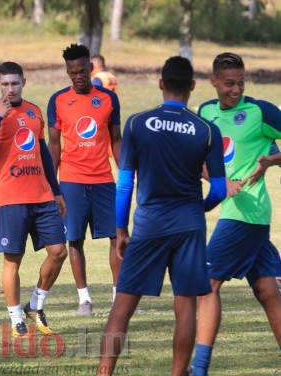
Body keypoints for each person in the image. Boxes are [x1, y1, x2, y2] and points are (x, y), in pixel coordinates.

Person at [98, 56, 226, 375]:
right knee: (185, 309)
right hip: (189, 227)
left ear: (160, 84)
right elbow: (220, 190)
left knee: (122, 308)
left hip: (149, 225)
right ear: (193, 87)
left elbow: (125, 183)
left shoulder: (138, 124)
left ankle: (103, 372)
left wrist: (120, 228)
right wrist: (201, 208)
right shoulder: (207, 130)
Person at [191, 52, 281, 376]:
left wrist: (272, 160)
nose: (236, 89)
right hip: (234, 212)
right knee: (267, 291)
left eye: (241, 82)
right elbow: (198, 160)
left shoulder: (261, 112)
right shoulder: (205, 113)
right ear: (213, 81)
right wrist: (217, 180)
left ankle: (198, 369)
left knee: (207, 282)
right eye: (229, 83)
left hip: (248, 214)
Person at [0, 61, 68, 337]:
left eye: (14, 83)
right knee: (12, 261)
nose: (10, 89)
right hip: (11, 199)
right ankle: (16, 317)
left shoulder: (34, 111)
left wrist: (57, 190)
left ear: (23, 82)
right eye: (5, 84)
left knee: (59, 252)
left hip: (42, 196)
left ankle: (36, 304)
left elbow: (43, 155)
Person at [47, 43, 121, 316]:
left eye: (81, 71)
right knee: (74, 240)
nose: (77, 77)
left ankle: (118, 298)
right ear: (67, 72)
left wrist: (124, 174)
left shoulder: (108, 99)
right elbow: (54, 145)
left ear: (91, 68)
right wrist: (52, 186)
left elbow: (116, 139)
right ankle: (84, 299)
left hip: (103, 180)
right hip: (71, 181)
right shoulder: (57, 100)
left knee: (117, 236)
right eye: (72, 72)